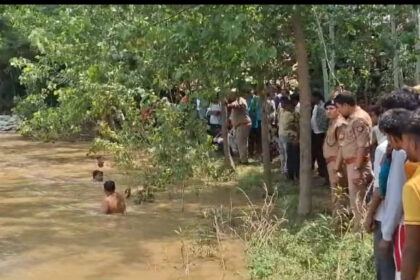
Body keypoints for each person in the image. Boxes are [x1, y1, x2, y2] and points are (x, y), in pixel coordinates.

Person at [334, 91, 373, 231]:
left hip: (358, 165)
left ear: (346, 105)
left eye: (339, 107)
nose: (338, 110)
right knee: (354, 201)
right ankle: (358, 230)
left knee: (358, 202)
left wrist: (357, 169)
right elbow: (344, 144)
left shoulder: (359, 119)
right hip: (350, 164)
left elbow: (362, 147)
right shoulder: (349, 119)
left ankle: (360, 233)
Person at [401, 109, 420, 280]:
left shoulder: (413, 187)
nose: (403, 147)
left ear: (413, 144)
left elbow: (413, 248)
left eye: (405, 142)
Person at [322, 100, 347, 211]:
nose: (328, 111)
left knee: (338, 191)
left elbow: (342, 147)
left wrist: (337, 167)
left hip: (336, 162)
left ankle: (339, 217)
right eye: (327, 109)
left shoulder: (340, 124)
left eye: (331, 108)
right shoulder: (332, 123)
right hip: (331, 162)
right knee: (335, 189)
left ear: (338, 110)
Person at [227, 92, 252, 164]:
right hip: (238, 126)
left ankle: (244, 161)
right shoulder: (235, 101)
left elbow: (238, 105)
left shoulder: (240, 100)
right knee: (240, 143)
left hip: (243, 125)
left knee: (242, 143)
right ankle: (242, 158)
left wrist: (228, 105)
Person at [311, 91, 329, 181]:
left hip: (321, 133)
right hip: (315, 132)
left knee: (321, 154)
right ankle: (321, 172)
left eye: (312, 97)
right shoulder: (315, 106)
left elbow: (324, 122)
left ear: (317, 97)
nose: (311, 99)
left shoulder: (323, 107)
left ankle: (325, 174)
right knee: (318, 154)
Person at [282, 98, 300, 181]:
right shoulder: (288, 114)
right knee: (292, 157)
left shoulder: (292, 114)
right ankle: (292, 174)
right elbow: (287, 126)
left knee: (292, 157)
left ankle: (293, 175)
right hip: (291, 137)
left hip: (292, 137)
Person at [248, 91, 262, 159]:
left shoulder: (257, 99)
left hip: (258, 121)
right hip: (251, 121)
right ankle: (251, 153)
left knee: (258, 138)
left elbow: (252, 109)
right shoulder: (248, 99)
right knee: (251, 139)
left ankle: (258, 153)